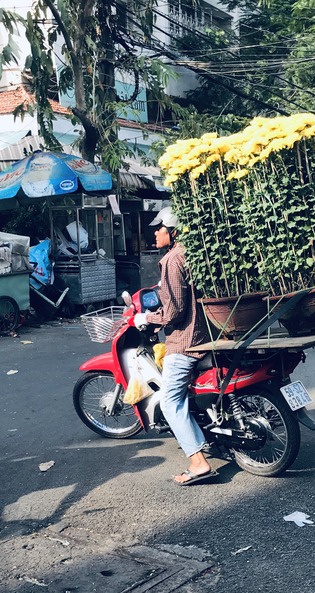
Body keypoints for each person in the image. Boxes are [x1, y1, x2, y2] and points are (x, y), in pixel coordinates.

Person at [138, 206, 216, 486]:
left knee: (171, 401)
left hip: (186, 341)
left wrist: (147, 317)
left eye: (159, 229)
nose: (155, 234)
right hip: (208, 335)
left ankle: (198, 463)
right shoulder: (195, 253)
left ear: (172, 232)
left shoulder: (172, 260)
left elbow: (174, 312)